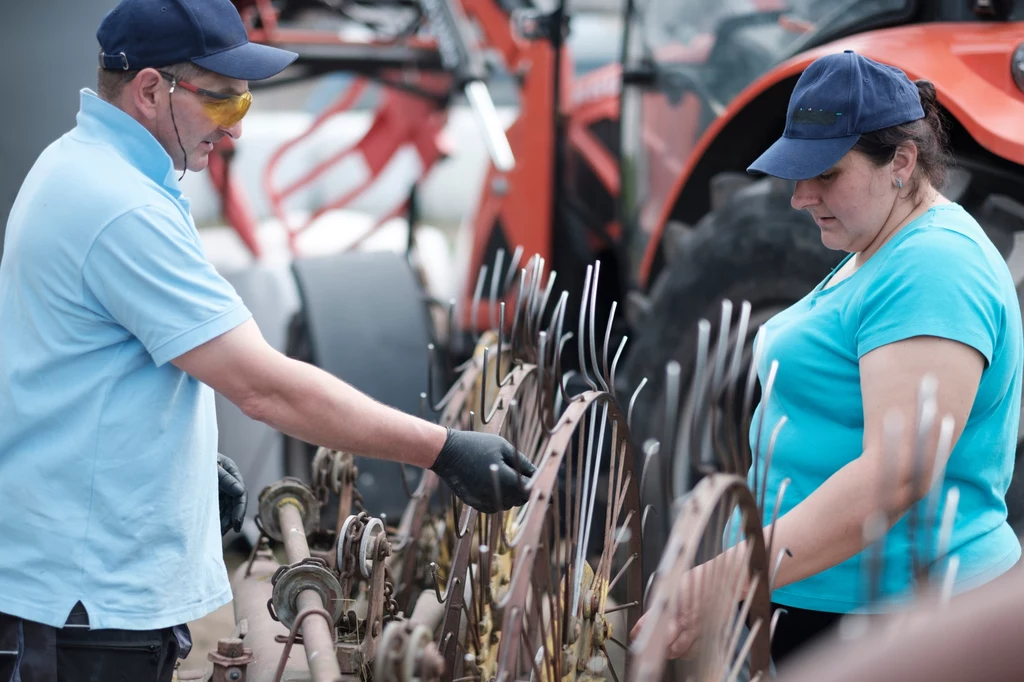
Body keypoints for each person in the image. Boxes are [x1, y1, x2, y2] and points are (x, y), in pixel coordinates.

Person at [0, 1, 533, 680]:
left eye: (246, 105)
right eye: (224, 104)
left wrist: (185, 472)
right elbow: (262, 387)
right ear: (150, 89)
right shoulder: (121, 208)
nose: (234, 129)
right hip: (88, 607)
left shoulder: (77, 165)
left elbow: (90, 369)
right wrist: (444, 449)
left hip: (73, 583)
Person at [631, 50, 1023, 667]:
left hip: (889, 624)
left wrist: (722, 579)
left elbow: (896, 475)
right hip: (831, 603)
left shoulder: (933, 266)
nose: (800, 196)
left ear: (901, 161)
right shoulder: (884, 246)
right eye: (796, 173)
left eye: (826, 174)